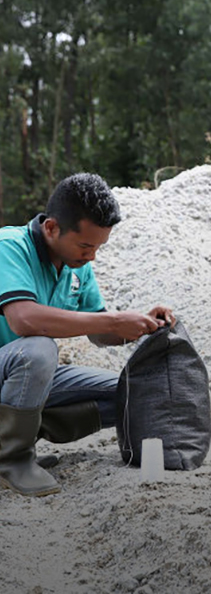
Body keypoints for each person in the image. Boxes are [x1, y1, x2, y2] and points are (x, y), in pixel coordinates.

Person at [0, 173, 175, 497]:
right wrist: (112, 322)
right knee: (38, 349)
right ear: (51, 228)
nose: (92, 256)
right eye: (85, 245)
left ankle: (14, 438)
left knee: (129, 393)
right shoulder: (8, 248)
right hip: (12, 366)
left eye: (97, 247)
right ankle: (12, 460)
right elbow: (24, 320)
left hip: (19, 383)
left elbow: (98, 330)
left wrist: (138, 324)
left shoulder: (76, 265)